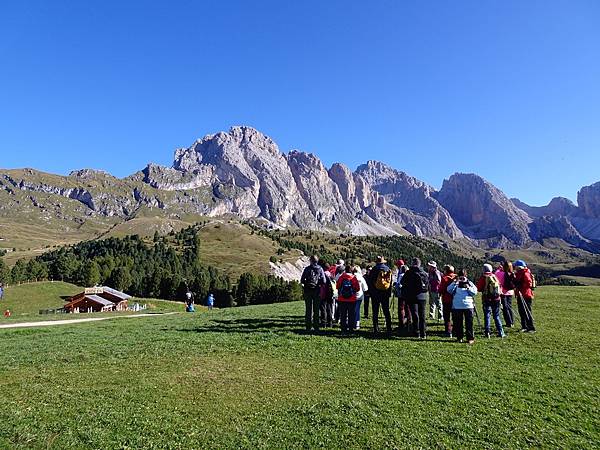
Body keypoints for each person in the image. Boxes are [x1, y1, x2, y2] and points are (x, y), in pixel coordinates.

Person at [401, 258, 429, 339]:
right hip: (423, 296)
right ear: (420, 264)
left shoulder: (409, 272)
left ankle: (416, 332)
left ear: (413, 263)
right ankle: (423, 333)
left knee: (415, 314)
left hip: (412, 296)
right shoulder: (424, 273)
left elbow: (403, 282)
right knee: (422, 314)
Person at [447, 269, 477, 344]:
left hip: (468, 306)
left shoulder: (469, 283)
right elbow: (449, 290)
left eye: (463, 277)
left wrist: (468, 287)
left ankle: (470, 338)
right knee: (458, 323)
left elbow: (475, 292)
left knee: (469, 323)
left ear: (466, 276)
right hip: (457, 306)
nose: (462, 279)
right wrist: (455, 282)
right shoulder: (456, 283)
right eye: (461, 277)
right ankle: (459, 337)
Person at [476, 264, 505, 338]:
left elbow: (479, 288)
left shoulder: (483, 277)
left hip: (487, 298)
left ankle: (487, 332)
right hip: (496, 298)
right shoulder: (494, 276)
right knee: (496, 316)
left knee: (487, 315)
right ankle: (501, 332)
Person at [301, 255, 327, 331]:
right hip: (317, 291)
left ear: (311, 261)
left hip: (308, 291)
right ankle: (316, 327)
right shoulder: (320, 269)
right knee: (316, 310)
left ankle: (308, 326)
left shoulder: (307, 269)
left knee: (308, 309)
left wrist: (306, 284)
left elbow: (302, 280)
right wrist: (318, 284)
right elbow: (324, 281)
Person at [367, 256, 393, 334]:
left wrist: (370, 292)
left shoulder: (374, 269)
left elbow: (370, 281)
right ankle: (389, 327)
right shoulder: (388, 269)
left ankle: (376, 328)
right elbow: (390, 282)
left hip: (375, 293)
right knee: (386, 311)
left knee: (375, 311)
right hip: (385, 293)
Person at [514, 260, 536, 333]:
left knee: (527, 311)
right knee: (521, 311)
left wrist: (520, 285)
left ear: (519, 267)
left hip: (525, 295)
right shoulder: (520, 273)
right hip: (521, 294)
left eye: (516, 266)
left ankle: (531, 328)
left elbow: (529, 284)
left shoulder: (525, 273)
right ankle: (524, 326)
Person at [336, 265, 360, 332]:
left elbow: (337, 286)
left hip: (342, 299)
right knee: (351, 314)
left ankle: (343, 328)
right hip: (352, 299)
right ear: (351, 270)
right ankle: (351, 328)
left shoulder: (341, 277)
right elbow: (358, 288)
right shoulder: (353, 278)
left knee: (343, 314)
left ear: (345, 270)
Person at [495, 262, 515, 327]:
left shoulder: (500, 273)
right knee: (509, 307)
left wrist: (498, 269)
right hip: (510, 292)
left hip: (503, 292)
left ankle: (508, 322)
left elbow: (495, 276)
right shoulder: (512, 273)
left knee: (505, 308)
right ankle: (512, 321)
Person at [439, 264, 457, 337]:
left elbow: (442, 289)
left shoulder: (445, 278)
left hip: (446, 300)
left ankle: (448, 331)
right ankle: (456, 330)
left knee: (447, 317)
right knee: (455, 316)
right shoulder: (456, 277)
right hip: (455, 299)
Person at [319, 263, 335, 328]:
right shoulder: (331, 275)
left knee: (323, 309)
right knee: (329, 308)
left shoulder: (323, 274)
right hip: (330, 294)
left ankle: (323, 323)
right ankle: (330, 323)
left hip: (323, 293)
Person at [396, 264, 411, 329]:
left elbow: (399, 285)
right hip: (408, 294)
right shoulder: (409, 276)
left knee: (401, 308)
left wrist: (396, 286)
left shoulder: (401, 276)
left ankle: (401, 323)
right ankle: (409, 322)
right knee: (408, 308)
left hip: (401, 294)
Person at [353, 266, 368, 330]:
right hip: (359, 296)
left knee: (352, 310)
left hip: (351, 296)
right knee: (357, 309)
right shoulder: (361, 278)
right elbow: (365, 288)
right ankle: (357, 323)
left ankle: (351, 322)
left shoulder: (351, 276)